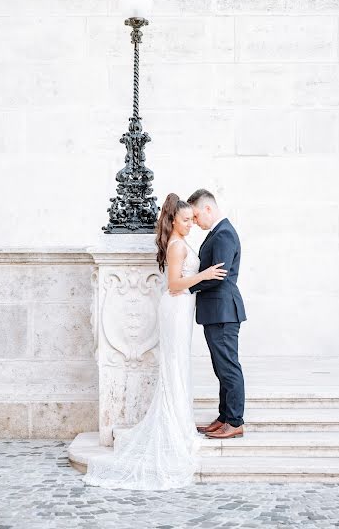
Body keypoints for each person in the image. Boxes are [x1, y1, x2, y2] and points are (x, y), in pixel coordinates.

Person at [81, 193, 227, 490]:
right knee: (173, 364)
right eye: (185, 220)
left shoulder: (180, 242)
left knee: (179, 364)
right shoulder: (175, 246)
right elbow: (174, 285)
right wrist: (205, 275)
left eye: (191, 219)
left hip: (183, 307)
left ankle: (180, 422)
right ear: (173, 220)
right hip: (175, 307)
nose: (190, 224)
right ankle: (174, 427)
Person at [176, 189, 247, 439]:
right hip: (216, 311)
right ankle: (224, 416)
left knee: (228, 367)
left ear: (208, 208)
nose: (194, 222)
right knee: (221, 367)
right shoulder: (217, 233)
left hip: (224, 311)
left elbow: (218, 275)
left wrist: (188, 286)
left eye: (195, 216)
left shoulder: (224, 233)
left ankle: (235, 421)